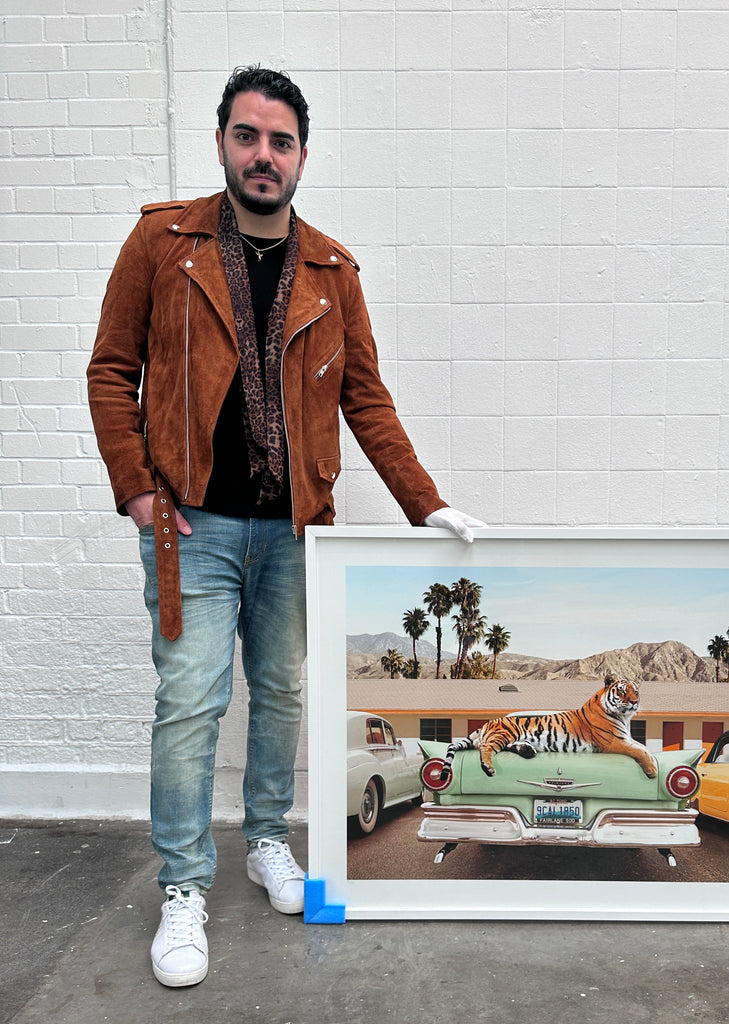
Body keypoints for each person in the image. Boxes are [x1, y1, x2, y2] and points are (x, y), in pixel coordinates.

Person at [86, 65, 484, 988]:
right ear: (223, 141)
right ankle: (184, 887)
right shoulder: (162, 242)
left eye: (281, 140)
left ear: (302, 154)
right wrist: (140, 491)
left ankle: (267, 840)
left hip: (297, 529)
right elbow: (112, 370)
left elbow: (364, 399)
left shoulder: (331, 270)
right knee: (188, 706)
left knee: (282, 696)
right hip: (192, 527)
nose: (263, 155)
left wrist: (424, 500)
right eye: (247, 136)